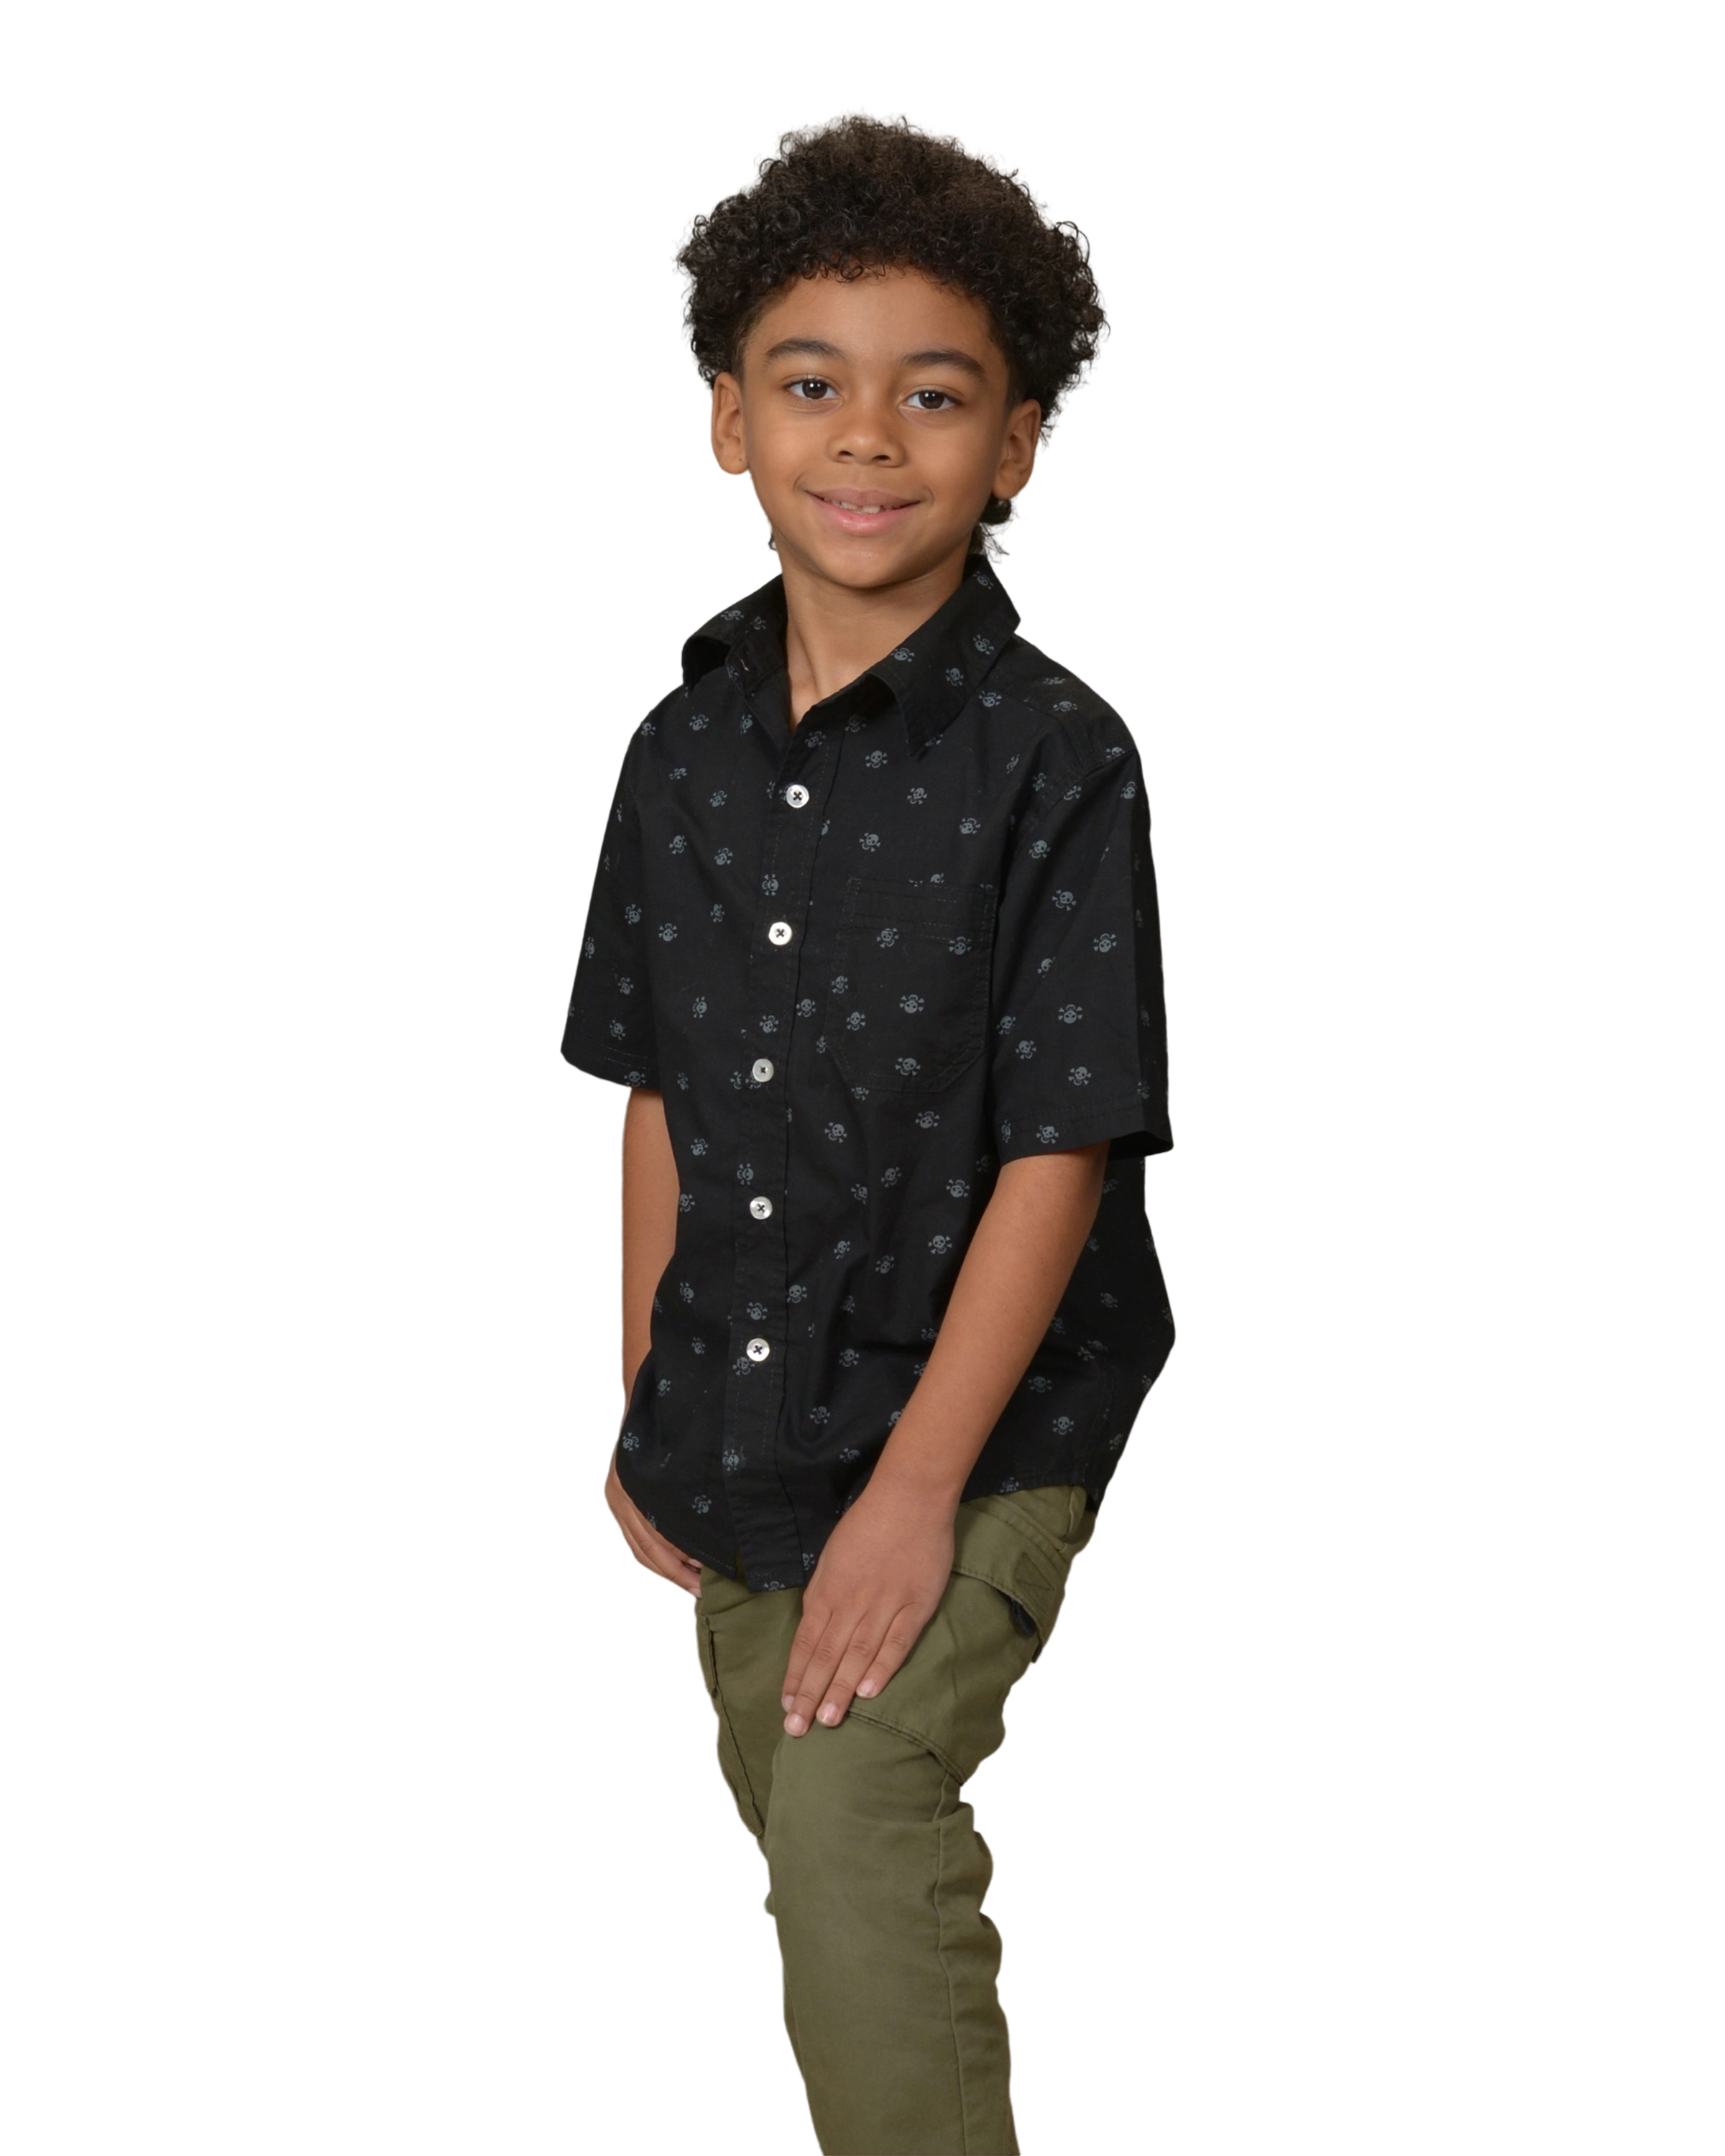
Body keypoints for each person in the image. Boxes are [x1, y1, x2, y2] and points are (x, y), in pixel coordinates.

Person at [557, 105, 1177, 2156]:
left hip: (980, 1427)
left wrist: (916, 1501)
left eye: (937, 393)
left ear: (1016, 447)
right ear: (729, 421)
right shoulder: (676, 753)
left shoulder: (1062, 760)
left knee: (849, 1806)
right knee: (800, 1821)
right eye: (813, 384)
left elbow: (1063, 1150)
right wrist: (648, 1387)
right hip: (746, 1408)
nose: (869, 438)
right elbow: (655, 1086)